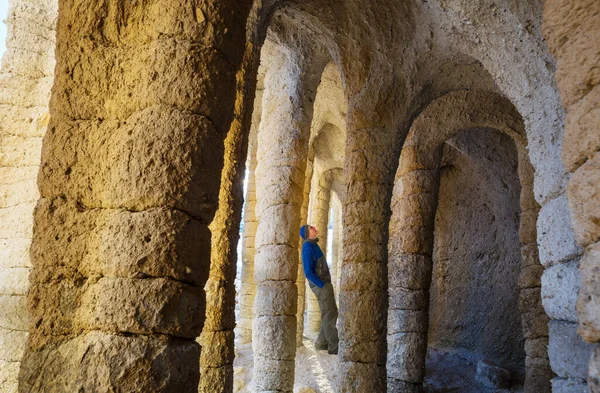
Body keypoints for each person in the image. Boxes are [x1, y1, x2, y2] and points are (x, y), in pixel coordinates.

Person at [299, 224, 339, 355]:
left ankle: (321, 343)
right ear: (307, 233)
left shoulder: (313, 245)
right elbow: (308, 272)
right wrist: (322, 285)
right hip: (321, 286)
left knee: (330, 313)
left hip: (324, 284)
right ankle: (334, 347)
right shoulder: (307, 247)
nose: (314, 227)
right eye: (311, 227)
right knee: (330, 313)